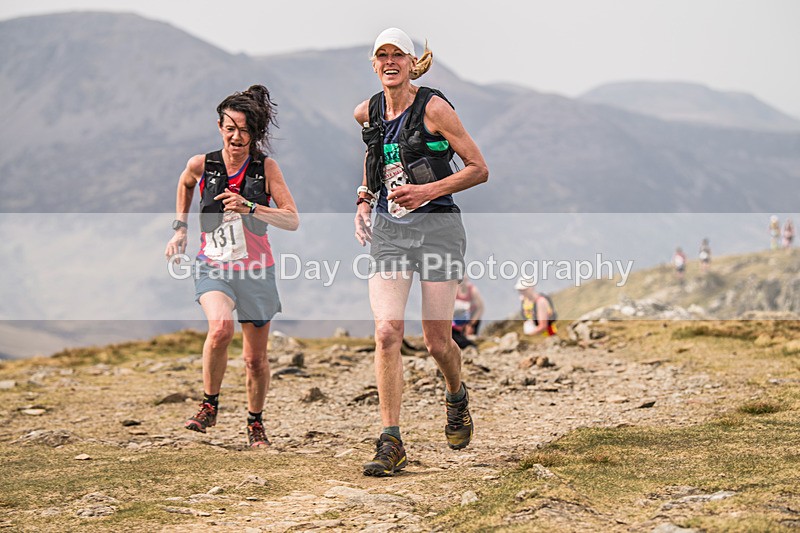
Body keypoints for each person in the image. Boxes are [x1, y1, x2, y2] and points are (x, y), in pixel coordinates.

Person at [353, 28, 489, 476]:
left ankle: (456, 394)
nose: (390, 61)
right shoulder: (367, 112)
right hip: (390, 231)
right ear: (373, 64)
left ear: (413, 63)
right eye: (382, 55)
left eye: (398, 55)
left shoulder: (434, 107)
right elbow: (374, 158)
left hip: (437, 230)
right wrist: (363, 199)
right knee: (388, 331)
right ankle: (391, 439)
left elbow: (478, 169)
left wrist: (427, 190)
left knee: (436, 341)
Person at [164, 85, 299, 448]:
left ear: (255, 133)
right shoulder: (202, 164)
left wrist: (250, 207)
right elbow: (185, 181)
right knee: (221, 328)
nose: (236, 137)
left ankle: (255, 423)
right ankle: (209, 404)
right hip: (214, 265)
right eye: (230, 128)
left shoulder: (266, 168)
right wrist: (180, 229)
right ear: (219, 127)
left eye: (244, 130)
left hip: (257, 270)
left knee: (255, 359)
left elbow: (291, 219)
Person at [451, 277, 485, 349]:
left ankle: (473, 347)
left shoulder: (473, 290)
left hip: (472, 318)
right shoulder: (454, 291)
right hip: (458, 319)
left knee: (467, 338)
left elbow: (480, 308)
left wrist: (471, 324)